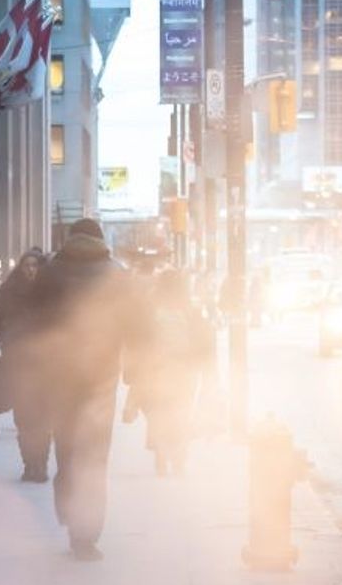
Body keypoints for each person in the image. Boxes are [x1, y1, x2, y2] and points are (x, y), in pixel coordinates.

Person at [33, 218, 141, 561]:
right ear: (100, 240)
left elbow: (33, 323)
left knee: (67, 451)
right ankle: (86, 536)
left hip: (59, 379)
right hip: (101, 381)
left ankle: (67, 500)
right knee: (93, 457)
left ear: (70, 238)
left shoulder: (50, 272)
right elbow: (136, 328)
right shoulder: (117, 274)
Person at [130, 270, 215, 477]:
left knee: (158, 413)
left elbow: (139, 340)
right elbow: (204, 339)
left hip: (156, 369)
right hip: (184, 370)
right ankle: (179, 459)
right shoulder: (190, 310)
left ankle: (160, 458)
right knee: (181, 411)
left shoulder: (150, 310)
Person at [0, 248, 50, 483]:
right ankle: (29, 464)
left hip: (45, 366)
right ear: (20, 268)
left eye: (35, 265)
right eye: (27, 265)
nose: (31, 270)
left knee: (42, 419)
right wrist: (5, 339)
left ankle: (40, 464)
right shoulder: (10, 293)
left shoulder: (51, 293)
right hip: (18, 364)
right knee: (23, 419)